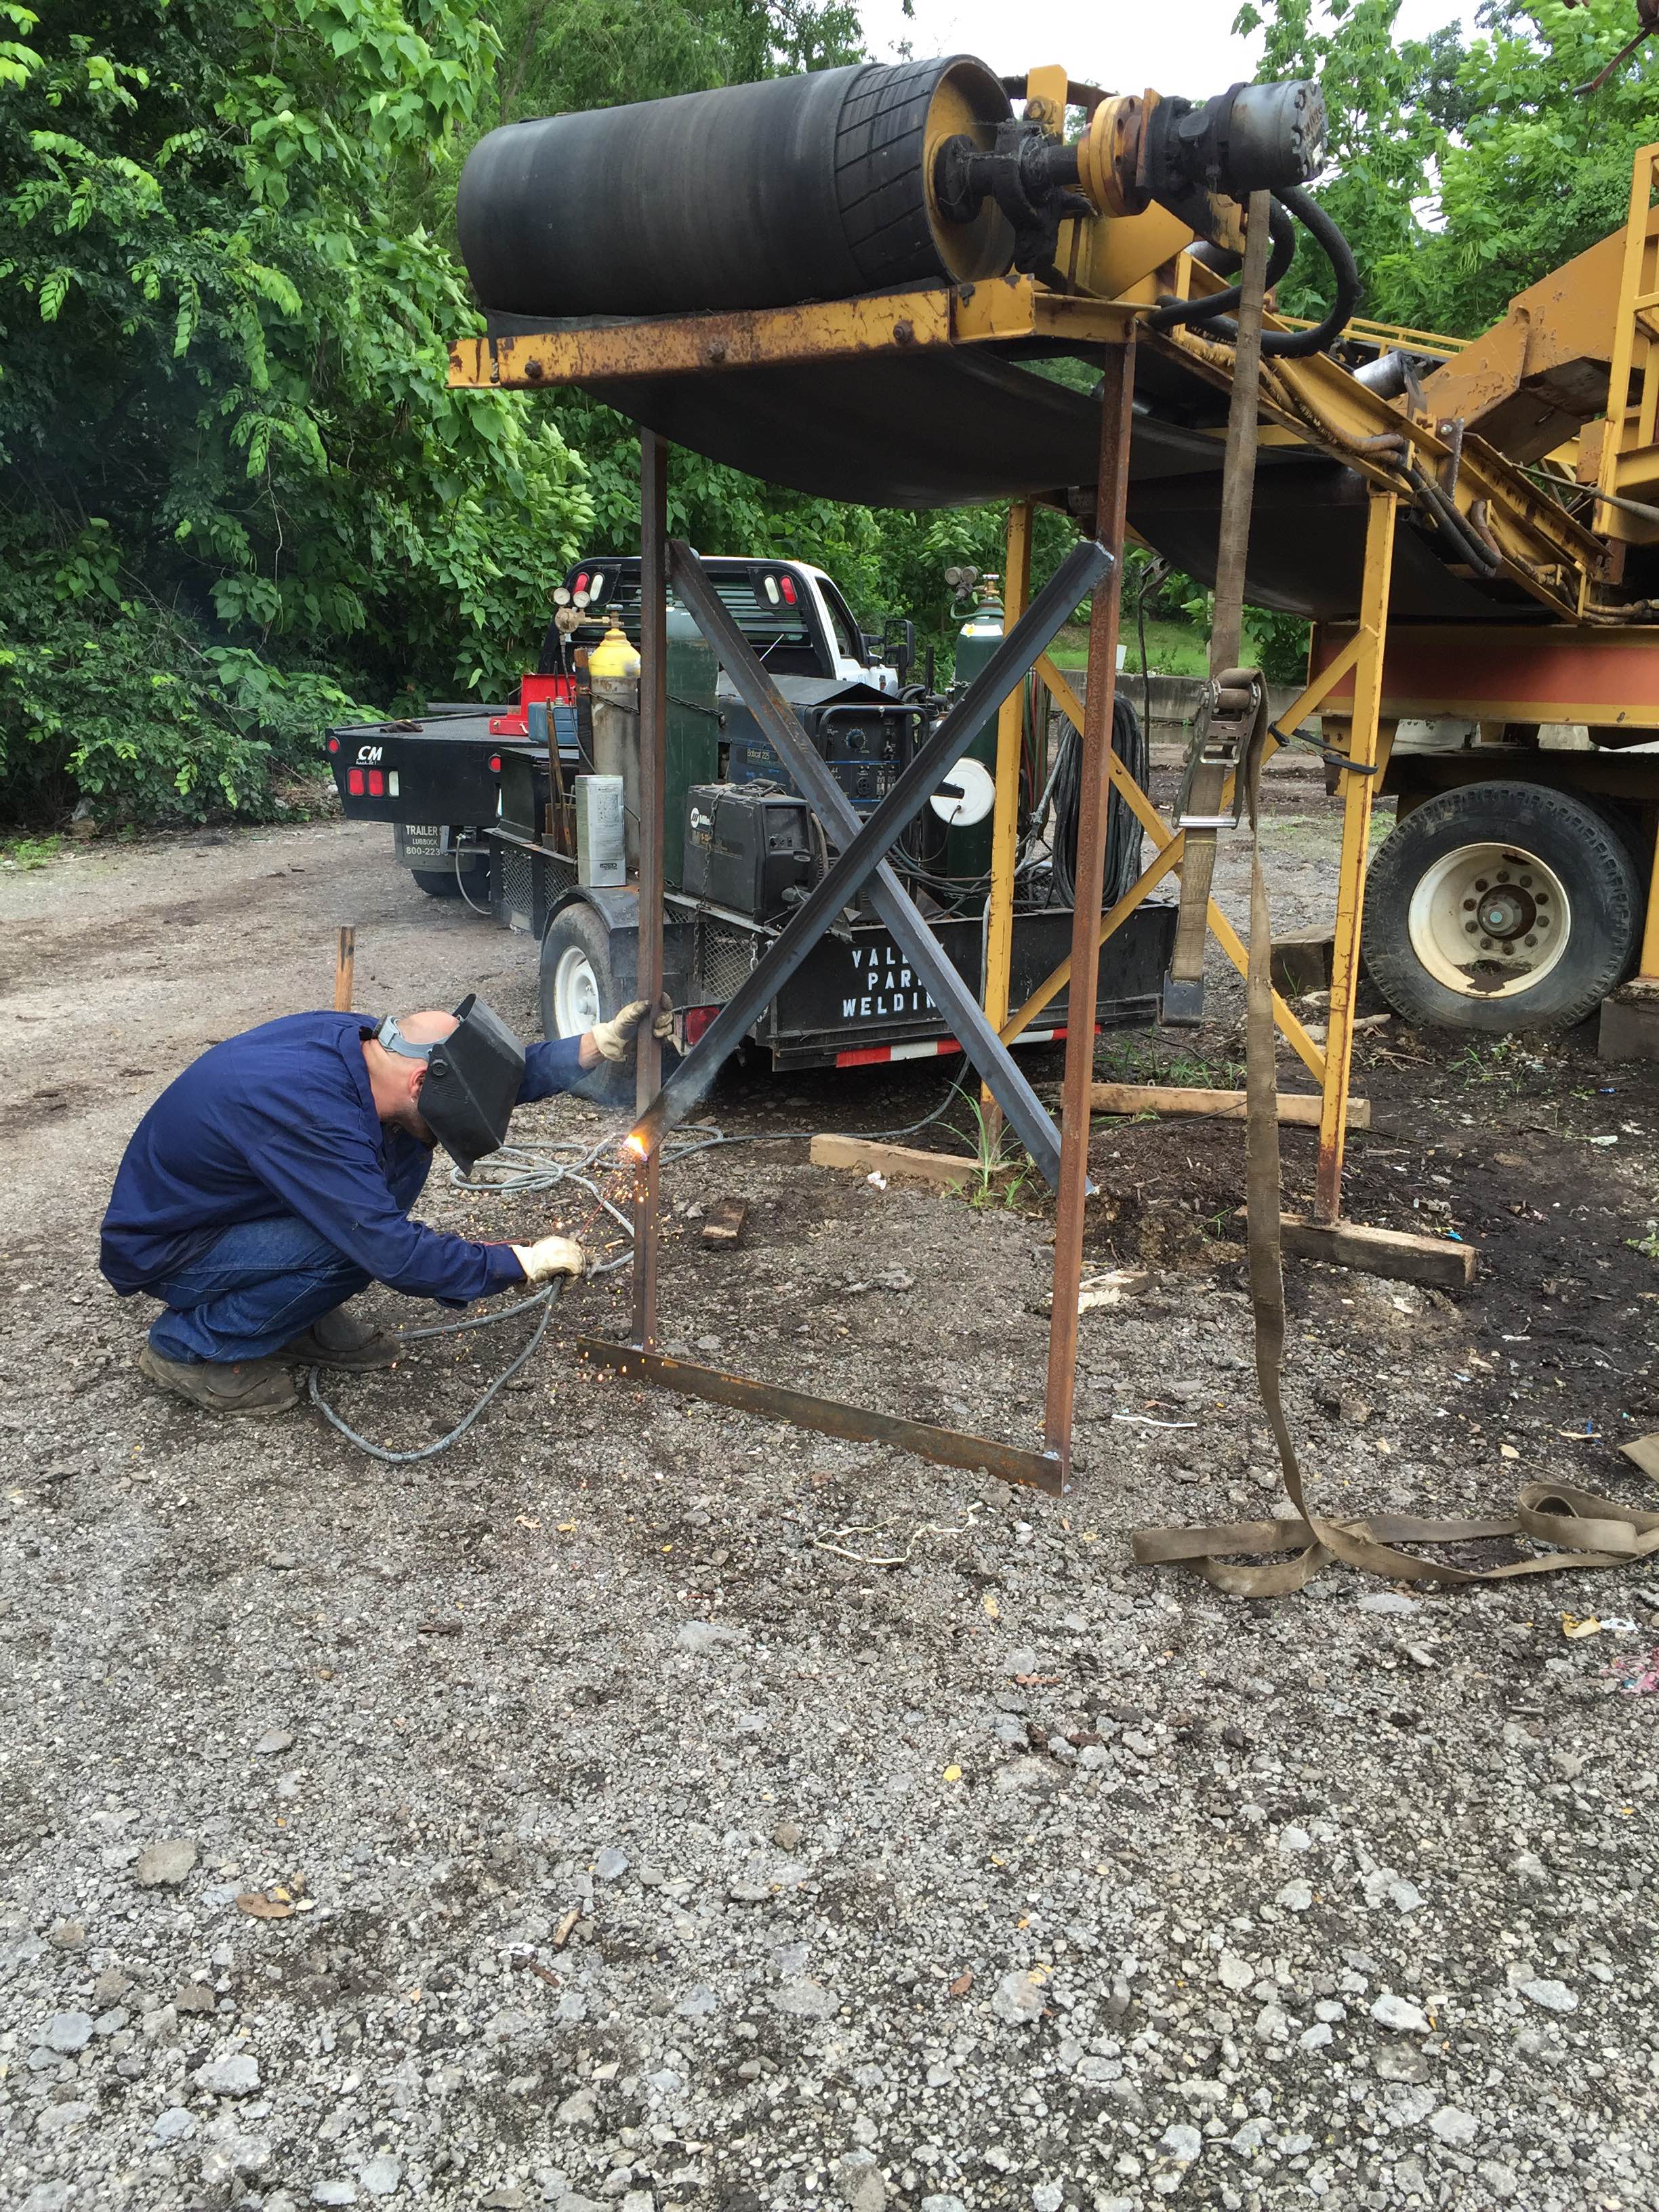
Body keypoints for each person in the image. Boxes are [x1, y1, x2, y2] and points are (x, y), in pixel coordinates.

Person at [100, 992, 670, 1418]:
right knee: (350, 1249)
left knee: (395, 1155)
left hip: (237, 1211)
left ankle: (290, 1317)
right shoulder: (309, 1110)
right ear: (424, 1079)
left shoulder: (372, 1047)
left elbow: (483, 1078)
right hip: (174, 1250)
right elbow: (389, 1251)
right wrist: (516, 1262)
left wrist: (597, 1044)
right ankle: (188, 1348)